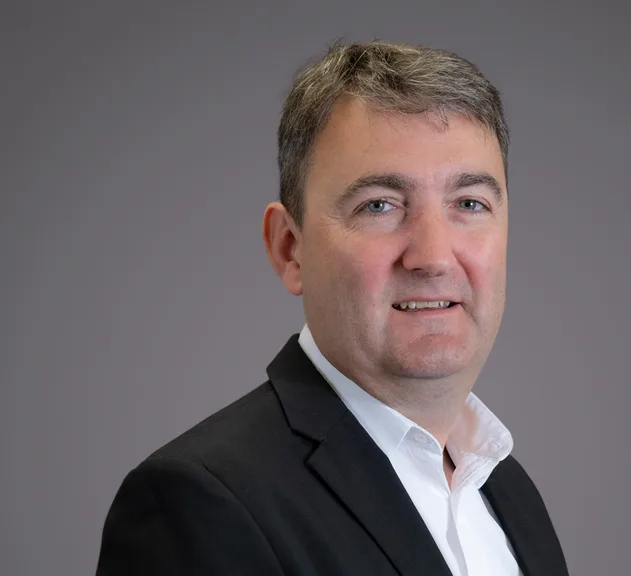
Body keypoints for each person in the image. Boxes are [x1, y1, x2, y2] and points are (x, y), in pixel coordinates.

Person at [95, 40, 569, 576]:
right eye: (379, 205)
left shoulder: (507, 493)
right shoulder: (200, 504)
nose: (434, 256)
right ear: (289, 249)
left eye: (469, 204)